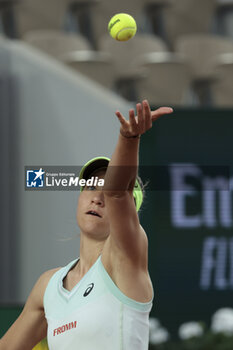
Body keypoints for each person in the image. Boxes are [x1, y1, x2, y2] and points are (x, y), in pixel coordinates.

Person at [0, 100, 173, 350]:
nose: (97, 197)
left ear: (128, 212)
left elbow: (116, 192)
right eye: (91, 186)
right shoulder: (48, 286)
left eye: (107, 191)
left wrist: (129, 137)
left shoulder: (125, 257)